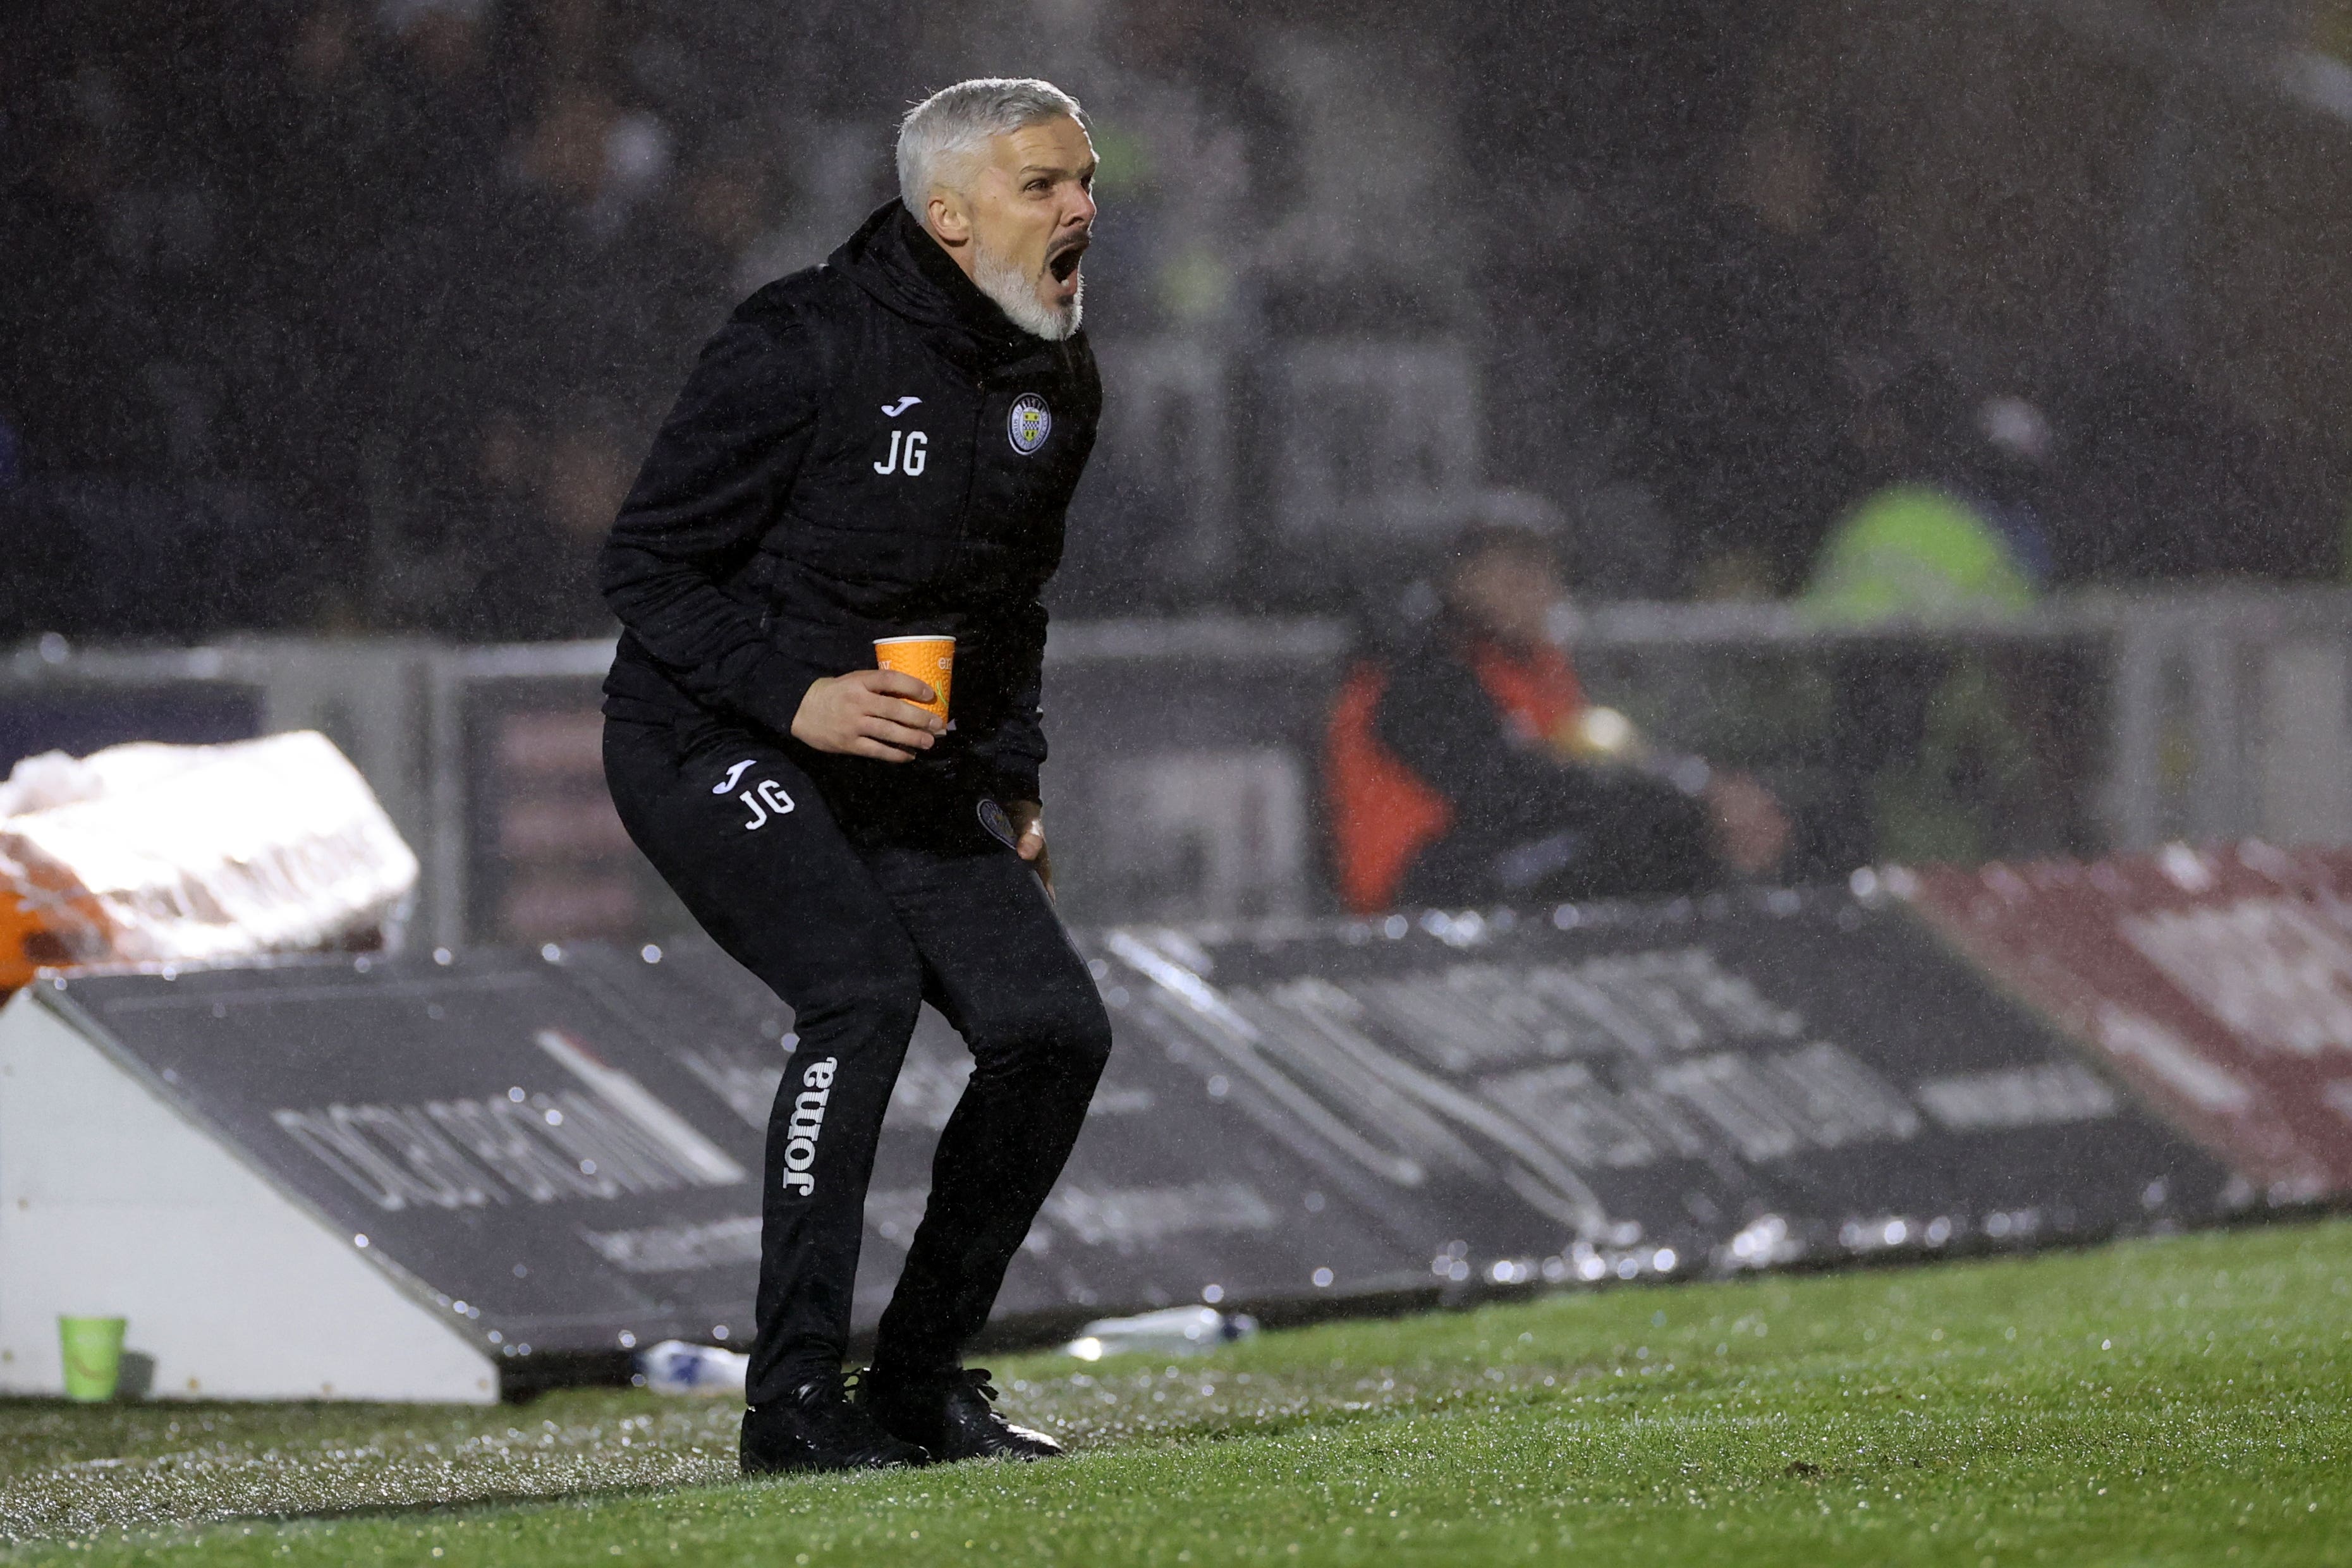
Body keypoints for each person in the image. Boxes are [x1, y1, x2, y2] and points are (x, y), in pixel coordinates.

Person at [597, 80, 1107, 1475]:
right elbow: (641, 566)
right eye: (1041, 187)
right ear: (948, 216)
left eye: (1084, 179)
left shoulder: (1056, 376)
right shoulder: (800, 341)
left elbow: (1012, 604)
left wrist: (1011, 775)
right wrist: (799, 695)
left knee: (1055, 1031)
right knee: (863, 990)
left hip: (899, 760)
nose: (1080, 210)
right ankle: (791, 1405)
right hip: (708, 736)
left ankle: (916, 1382)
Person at [1327, 525, 1789, 913]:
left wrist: (1700, 791)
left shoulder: (1530, 668)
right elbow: (1511, 790)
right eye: (1511, 573)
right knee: (1639, 840)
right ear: (1462, 579)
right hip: (1418, 887)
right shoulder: (1419, 674)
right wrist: (1685, 800)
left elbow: (1592, 766)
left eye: (1541, 572)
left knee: (1675, 831)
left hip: (1496, 851)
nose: (1535, 591)